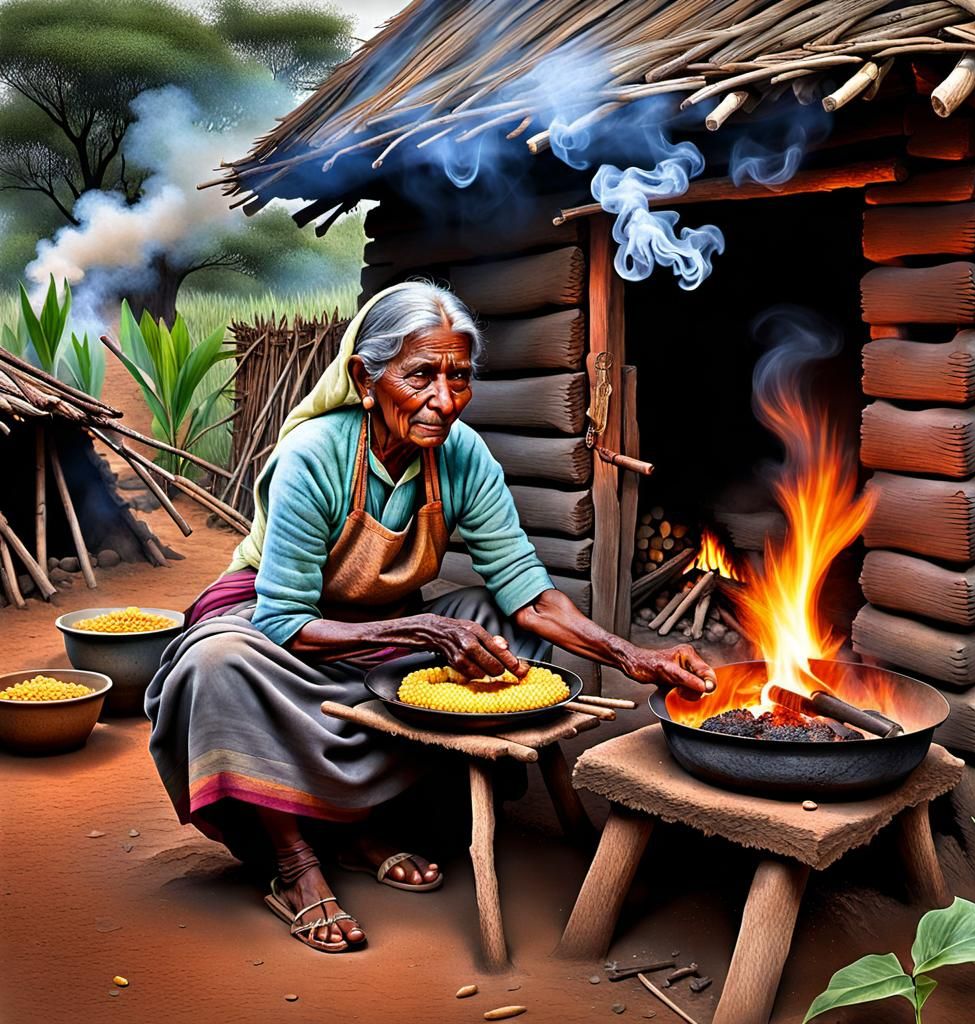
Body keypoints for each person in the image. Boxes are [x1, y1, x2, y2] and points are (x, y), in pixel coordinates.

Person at [146, 280, 715, 954]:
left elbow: (529, 595)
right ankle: (295, 863)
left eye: (459, 377)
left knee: (496, 624)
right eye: (421, 376)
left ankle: (359, 828)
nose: (444, 400)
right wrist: (420, 629)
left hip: (383, 631)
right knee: (214, 665)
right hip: (280, 633)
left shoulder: (462, 455)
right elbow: (284, 621)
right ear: (366, 378)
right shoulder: (312, 455)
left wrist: (631, 655)